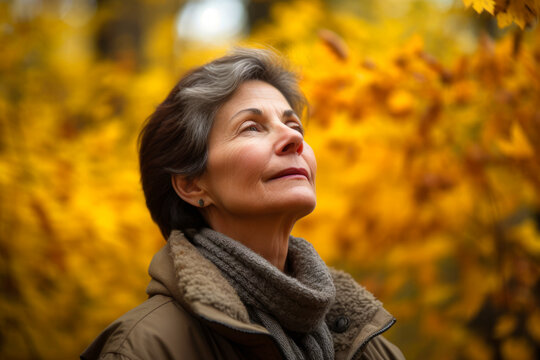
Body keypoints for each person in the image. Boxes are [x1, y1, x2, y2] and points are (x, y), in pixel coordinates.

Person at [81, 48, 405, 360]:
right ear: (191, 184)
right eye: (252, 127)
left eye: (294, 126)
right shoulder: (143, 349)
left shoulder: (368, 346)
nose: (295, 139)